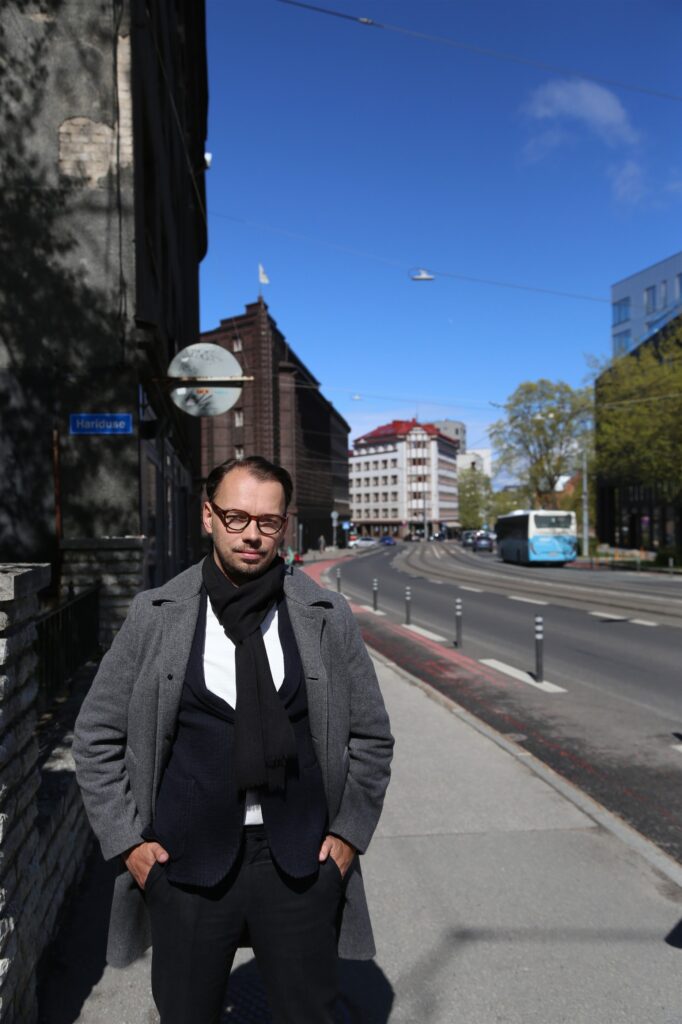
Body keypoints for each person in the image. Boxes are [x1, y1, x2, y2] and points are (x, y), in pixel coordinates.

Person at [73, 455, 394, 1024]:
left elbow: (372, 736)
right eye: (236, 517)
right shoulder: (157, 615)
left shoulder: (324, 615)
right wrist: (129, 846)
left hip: (300, 863)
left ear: (284, 526)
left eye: (267, 521)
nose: (251, 534)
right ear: (208, 517)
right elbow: (96, 735)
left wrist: (348, 836)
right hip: (186, 867)